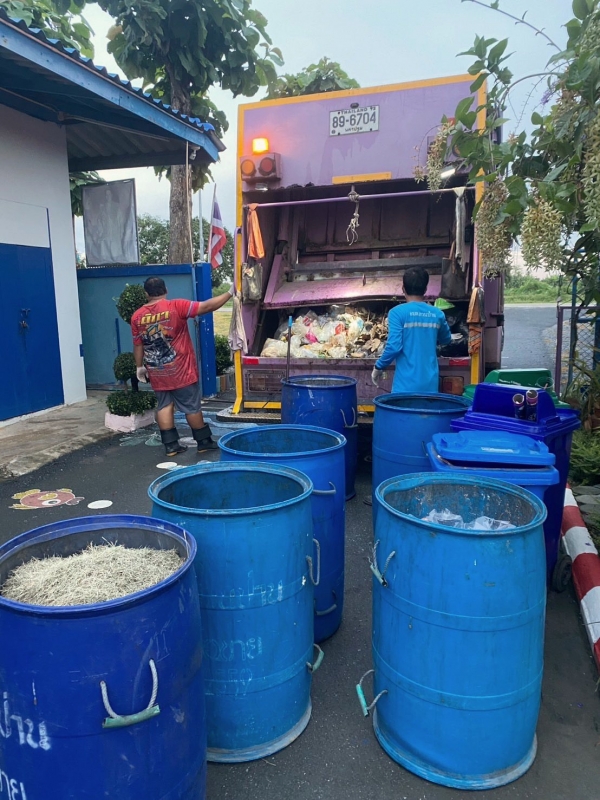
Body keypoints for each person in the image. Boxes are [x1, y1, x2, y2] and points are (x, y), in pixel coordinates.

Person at [131, 276, 234, 457]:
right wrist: (230, 293)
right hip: (181, 370)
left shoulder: (137, 316)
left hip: (156, 370)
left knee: (164, 405)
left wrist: (139, 367)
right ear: (166, 290)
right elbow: (206, 306)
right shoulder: (176, 306)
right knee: (191, 406)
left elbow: (138, 344)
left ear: (146, 294)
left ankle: (171, 446)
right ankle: (203, 442)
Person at [371, 267, 452, 393]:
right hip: (430, 386)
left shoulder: (397, 313)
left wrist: (378, 366)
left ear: (403, 288)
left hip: (404, 388)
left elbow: (394, 347)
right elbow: (446, 339)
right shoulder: (437, 314)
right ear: (425, 289)